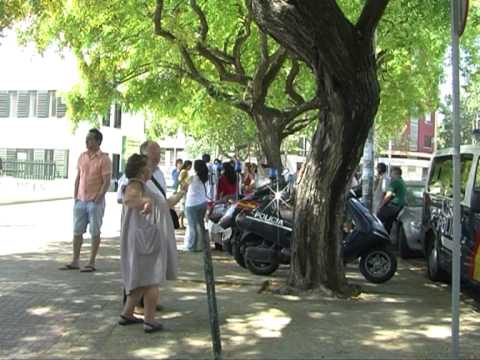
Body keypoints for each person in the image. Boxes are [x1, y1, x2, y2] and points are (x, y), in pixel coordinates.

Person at [119, 153, 184, 333]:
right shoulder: (136, 184)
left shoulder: (143, 185)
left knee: (142, 280)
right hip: (145, 240)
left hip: (144, 238)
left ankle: (127, 313)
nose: (151, 170)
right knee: (152, 280)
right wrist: (143, 203)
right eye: (148, 167)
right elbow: (130, 199)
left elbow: (165, 203)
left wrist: (182, 191)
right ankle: (149, 320)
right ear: (141, 171)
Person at [60, 128, 112, 272]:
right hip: (80, 200)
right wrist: (75, 196)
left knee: (95, 231)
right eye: (86, 139)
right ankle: (75, 260)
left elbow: (106, 181)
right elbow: (78, 177)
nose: (87, 142)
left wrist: (98, 197)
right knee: (77, 231)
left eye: (90, 139)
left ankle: (91, 262)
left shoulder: (104, 159)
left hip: (95, 202)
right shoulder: (82, 156)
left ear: (98, 141)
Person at [184, 160, 209, 251]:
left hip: (192, 204)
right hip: (203, 203)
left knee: (192, 226)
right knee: (201, 225)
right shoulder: (205, 177)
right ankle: (202, 245)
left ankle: (191, 246)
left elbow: (183, 186)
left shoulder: (192, 177)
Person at [377, 166, 406, 233]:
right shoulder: (402, 181)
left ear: (396, 173)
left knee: (378, 220)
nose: (390, 175)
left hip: (393, 206)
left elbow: (388, 196)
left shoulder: (395, 182)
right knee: (388, 224)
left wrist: (380, 206)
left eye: (391, 173)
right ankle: (386, 239)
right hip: (398, 207)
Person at [177, 160, 192, 229]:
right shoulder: (184, 171)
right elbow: (180, 180)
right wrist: (184, 188)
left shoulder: (184, 171)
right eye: (190, 165)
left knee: (183, 208)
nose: (191, 167)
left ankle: (180, 222)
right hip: (183, 192)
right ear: (188, 165)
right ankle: (178, 221)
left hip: (183, 191)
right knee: (183, 208)